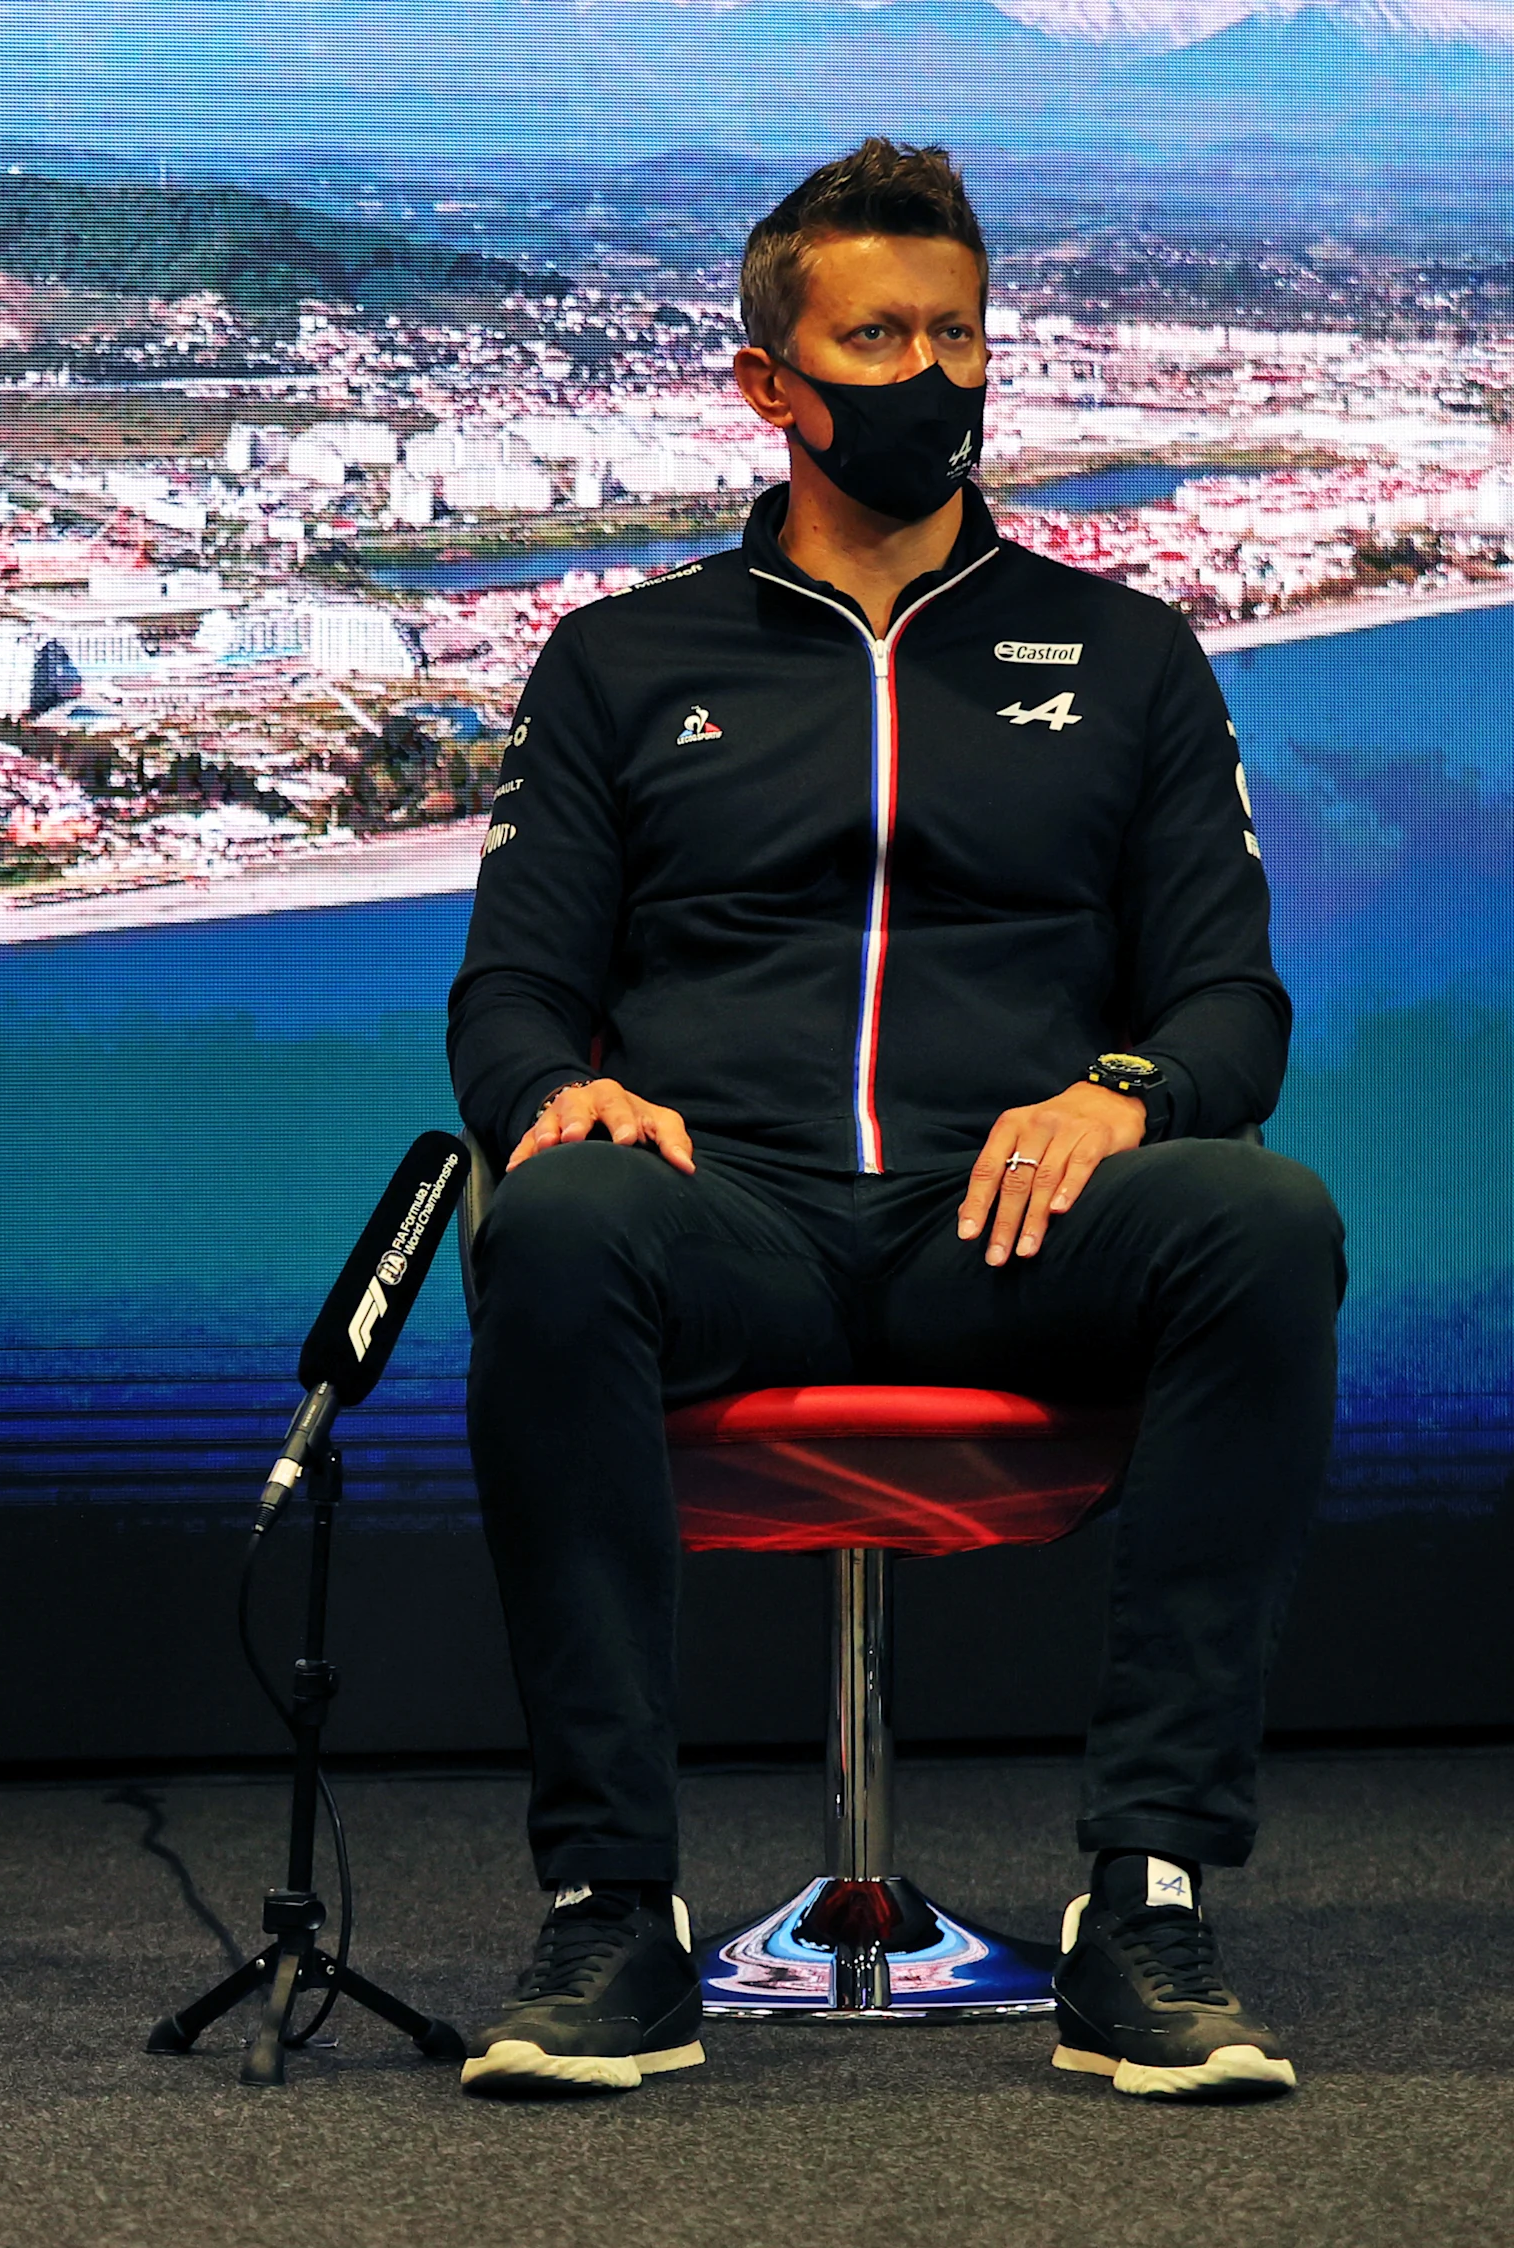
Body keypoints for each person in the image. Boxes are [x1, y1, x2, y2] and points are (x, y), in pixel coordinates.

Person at [444, 141, 1341, 2103]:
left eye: (957, 333)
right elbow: (510, 986)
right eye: (877, 337)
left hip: (999, 1227)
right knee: (554, 1224)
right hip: (724, 1214)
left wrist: (1125, 1093)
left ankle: (1149, 1900)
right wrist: (550, 1095)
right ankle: (614, 1905)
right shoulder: (617, 659)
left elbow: (1227, 1004)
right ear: (768, 379)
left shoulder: (1126, 657)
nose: (928, 371)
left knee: (1261, 1216)